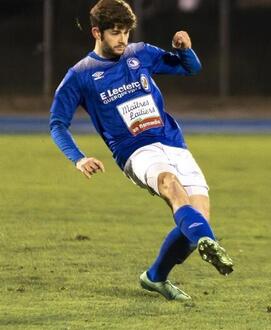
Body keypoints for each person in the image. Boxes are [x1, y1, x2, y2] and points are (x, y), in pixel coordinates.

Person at [49, 0, 233, 301]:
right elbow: (57, 124)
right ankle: (210, 244)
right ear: (97, 32)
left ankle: (155, 277)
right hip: (134, 152)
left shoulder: (141, 53)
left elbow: (191, 68)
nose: (122, 39)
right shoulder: (80, 75)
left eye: (126, 32)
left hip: (174, 143)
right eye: (115, 33)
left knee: (196, 222)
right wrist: (78, 158)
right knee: (168, 184)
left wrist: (185, 48)